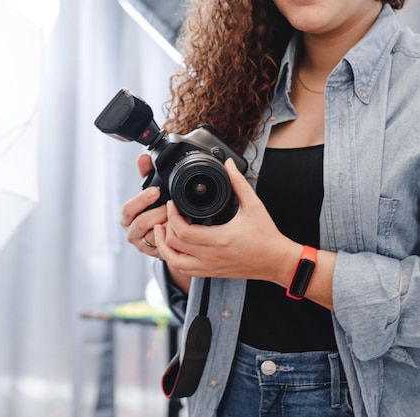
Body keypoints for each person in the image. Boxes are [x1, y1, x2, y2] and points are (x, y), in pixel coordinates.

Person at [120, 0, 420, 416]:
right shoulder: (236, 82)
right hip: (224, 391)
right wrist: (179, 248)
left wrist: (285, 264)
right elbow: (208, 291)